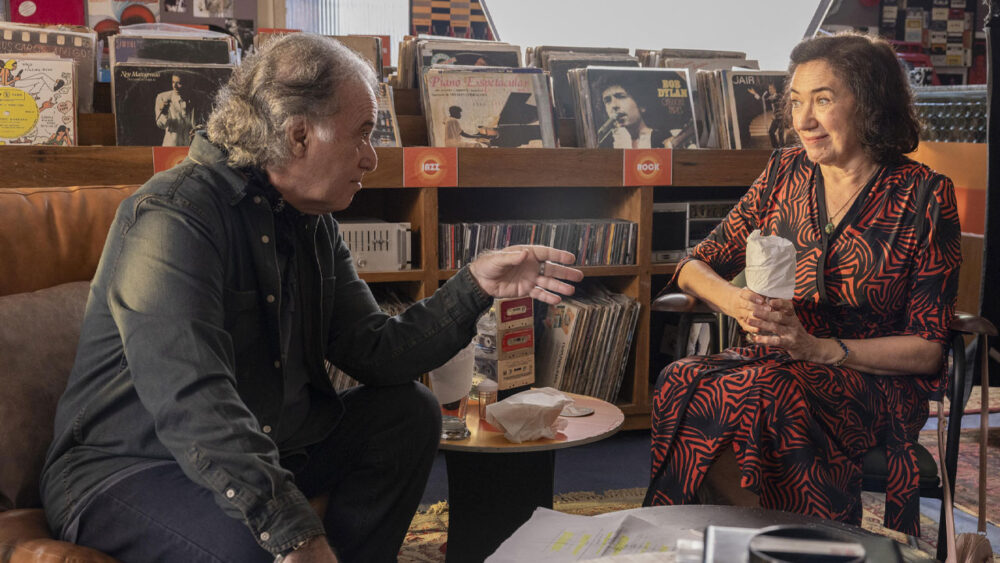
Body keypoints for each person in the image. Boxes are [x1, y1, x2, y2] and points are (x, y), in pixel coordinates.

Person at [41, 33, 583, 562]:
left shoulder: (309, 220)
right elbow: (194, 402)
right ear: (299, 135)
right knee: (255, 545)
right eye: (363, 134)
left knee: (406, 414)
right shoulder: (173, 217)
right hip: (132, 466)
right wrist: (291, 532)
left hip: (270, 443)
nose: (371, 158)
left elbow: (374, 352)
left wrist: (473, 286)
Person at [645, 32, 961, 538]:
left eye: (823, 99)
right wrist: (736, 302)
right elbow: (693, 264)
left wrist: (817, 348)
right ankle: (735, 540)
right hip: (775, 364)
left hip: (871, 380)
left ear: (871, 103)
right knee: (683, 379)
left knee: (767, 394)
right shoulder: (783, 173)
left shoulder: (924, 195)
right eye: (795, 101)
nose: (803, 120)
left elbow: (927, 350)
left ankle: (803, 544)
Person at [154, 72, 198, 146]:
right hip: (171, 146)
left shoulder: (196, 97)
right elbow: (161, 125)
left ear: (187, 84)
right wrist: (164, 112)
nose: (174, 86)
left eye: (179, 83)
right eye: (173, 82)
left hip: (191, 146)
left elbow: (199, 124)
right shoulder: (162, 97)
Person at [748, 82, 786, 148]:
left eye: (771, 88)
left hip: (781, 118)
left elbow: (769, 101)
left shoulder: (778, 96)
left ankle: (782, 149)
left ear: (775, 89)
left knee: (780, 134)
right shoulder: (771, 97)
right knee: (771, 132)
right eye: (769, 89)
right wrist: (755, 94)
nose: (769, 90)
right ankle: (776, 147)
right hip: (776, 118)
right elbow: (763, 101)